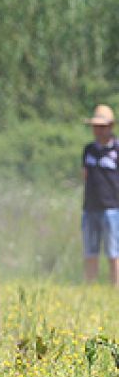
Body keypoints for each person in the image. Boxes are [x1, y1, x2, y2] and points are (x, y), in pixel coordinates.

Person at [81, 104, 119, 286]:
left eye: (102, 126)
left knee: (113, 252)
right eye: (95, 126)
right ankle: (91, 286)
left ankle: (115, 286)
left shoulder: (116, 150)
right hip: (90, 208)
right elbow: (85, 175)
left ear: (110, 127)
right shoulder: (89, 150)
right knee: (90, 252)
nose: (97, 130)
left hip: (112, 208)